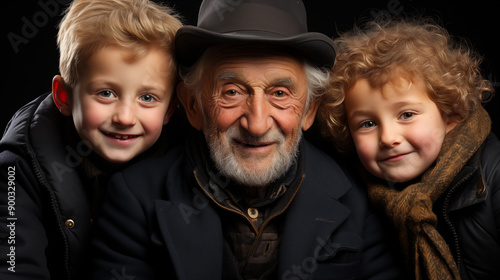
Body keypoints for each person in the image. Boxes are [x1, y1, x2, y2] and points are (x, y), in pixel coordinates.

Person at [92, 0, 403, 279]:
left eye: (279, 94)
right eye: (232, 92)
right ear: (193, 106)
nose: (256, 124)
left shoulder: (358, 198)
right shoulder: (134, 197)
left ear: (310, 110)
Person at [0, 0, 182, 279]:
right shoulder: (18, 168)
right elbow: (14, 265)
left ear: (170, 109)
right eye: (106, 93)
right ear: (65, 96)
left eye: (147, 98)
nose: (125, 117)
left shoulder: (184, 162)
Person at [319, 19, 500, 279]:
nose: (388, 138)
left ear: (451, 113)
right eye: (367, 123)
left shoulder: (493, 175)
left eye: (406, 114)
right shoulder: (360, 198)